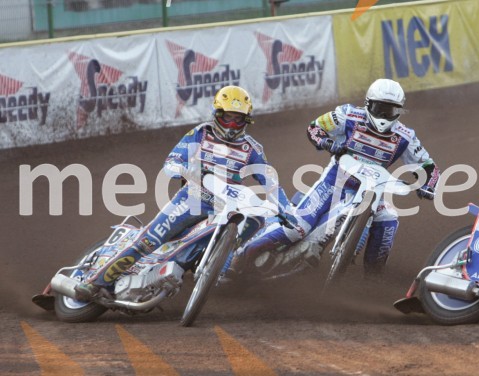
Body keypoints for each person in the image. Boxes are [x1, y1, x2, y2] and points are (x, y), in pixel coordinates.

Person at [74, 85, 291, 300]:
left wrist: (285, 210)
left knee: (242, 227)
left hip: (223, 210)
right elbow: (171, 162)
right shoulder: (199, 134)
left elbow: (271, 183)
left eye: (239, 119)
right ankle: (95, 283)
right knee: (148, 241)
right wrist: (184, 170)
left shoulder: (252, 149)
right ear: (217, 114)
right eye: (228, 118)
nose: (233, 125)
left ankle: (212, 274)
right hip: (191, 201)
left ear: (247, 121)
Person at [229, 78, 440, 278]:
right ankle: (240, 258)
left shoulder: (405, 136)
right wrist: (326, 143)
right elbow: (315, 127)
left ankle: (373, 279)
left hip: (372, 191)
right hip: (333, 183)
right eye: (379, 108)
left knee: (389, 217)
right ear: (368, 104)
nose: (384, 115)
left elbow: (429, 166)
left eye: (391, 110)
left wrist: (429, 185)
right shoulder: (348, 115)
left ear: (399, 110)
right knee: (296, 229)